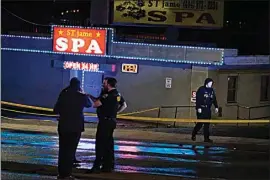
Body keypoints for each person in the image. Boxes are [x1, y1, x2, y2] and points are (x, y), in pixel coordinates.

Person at [54, 77, 92, 179]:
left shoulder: (64, 94)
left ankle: (61, 173)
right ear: (79, 86)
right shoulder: (81, 96)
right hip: (76, 127)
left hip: (63, 125)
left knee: (62, 150)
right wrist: (83, 93)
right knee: (71, 151)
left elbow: (55, 109)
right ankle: (67, 174)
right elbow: (89, 104)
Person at [88, 77, 127, 173]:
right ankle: (108, 165)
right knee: (109, 144)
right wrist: (115, 112)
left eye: (104, 83)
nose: (103, 85)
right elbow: (124, 105)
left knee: (100, 144)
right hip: (112, 121)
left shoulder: (106, 95)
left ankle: (96, 167)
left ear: (109, 84)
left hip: (104, 122)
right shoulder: (117, 94)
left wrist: (93, 97)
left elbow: (96, 104)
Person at [192, 78, 219, 143]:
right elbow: (198, 99)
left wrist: (216, 107)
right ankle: (194, 134)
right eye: (210, 83)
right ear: (207, 83)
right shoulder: (201, 89)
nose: (211, 84)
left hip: (207, 110)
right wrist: (198, 107)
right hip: (201, 109)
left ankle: (206, 139)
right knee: (200, 124)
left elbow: (214, 99)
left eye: (212, 83)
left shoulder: (211, 90)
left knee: (207, 125)